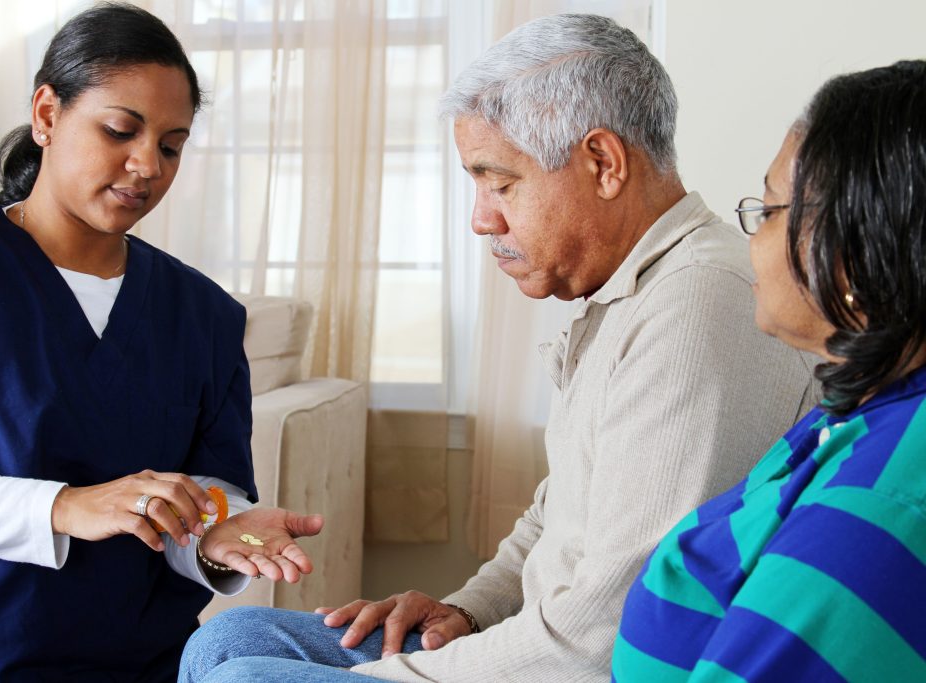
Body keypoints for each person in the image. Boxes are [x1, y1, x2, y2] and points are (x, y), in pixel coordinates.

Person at [179, 14, 818, 682]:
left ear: (603, 163)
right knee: (229, 639)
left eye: (499, 181)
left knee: (242, 677)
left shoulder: (698, 304)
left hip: (593, 667)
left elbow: (606, 636)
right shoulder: (626, 295)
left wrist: (372, 677)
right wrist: (467, 611)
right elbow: (559, 515)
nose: (482, 217)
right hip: (542, 642)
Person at [0, 4, 323, 680]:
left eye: (170, 145)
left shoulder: (204, 315)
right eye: (121, 130)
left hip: (139, 665)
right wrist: (67, 505)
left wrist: (216, 534)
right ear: (47, 114)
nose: (146, 165)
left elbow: (206, 491)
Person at [612, 60, 926, 682]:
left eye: (771, 209)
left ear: (859, 247)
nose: (750, 235)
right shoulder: (855, 412)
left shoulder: (884, 503)